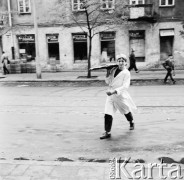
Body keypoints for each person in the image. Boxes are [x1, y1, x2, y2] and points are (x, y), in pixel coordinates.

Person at [100, 54, 137, 140]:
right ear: (117, 62)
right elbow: (108, 82)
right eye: (119, 61)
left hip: (119, 95)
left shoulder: (126, 73)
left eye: (122, 61)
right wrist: (108, 73)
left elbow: (125, 86)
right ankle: (107, 132)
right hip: (110, 95)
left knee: (125, 110)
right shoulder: (113, 70)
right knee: (108, 113)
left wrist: (114, 91)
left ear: (125, 62)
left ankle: (131, 121)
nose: (120, 63)